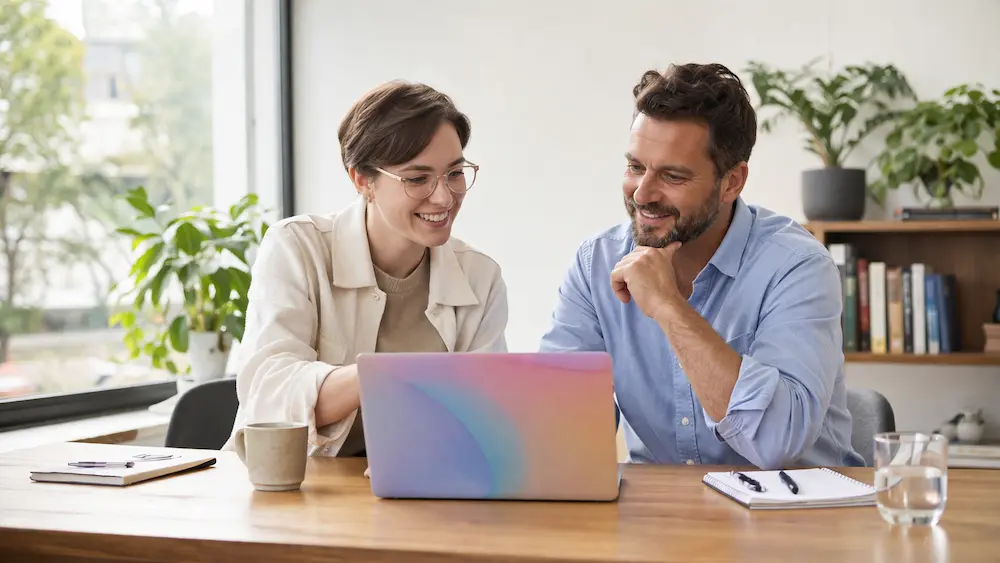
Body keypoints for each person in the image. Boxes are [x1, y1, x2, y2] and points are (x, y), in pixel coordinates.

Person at [539, 63, 864, 470]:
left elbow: (778, 442)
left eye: (672, 176)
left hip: (797, 513)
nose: (642, 193)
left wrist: (668, 306)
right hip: (661, 516)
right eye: (636, 167)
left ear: (731, 182)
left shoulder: (797, 266)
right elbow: (562, 431)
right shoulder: (596, 263)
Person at [223, 81, 508, 457]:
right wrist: (385, 377)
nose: (444, 196)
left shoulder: (479, 276)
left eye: (455, 173)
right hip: (299, 492)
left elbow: (486, 419)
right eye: (417, 178)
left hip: (423, 495)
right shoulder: (298, 246)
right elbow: (270, 391)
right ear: (362, 180)